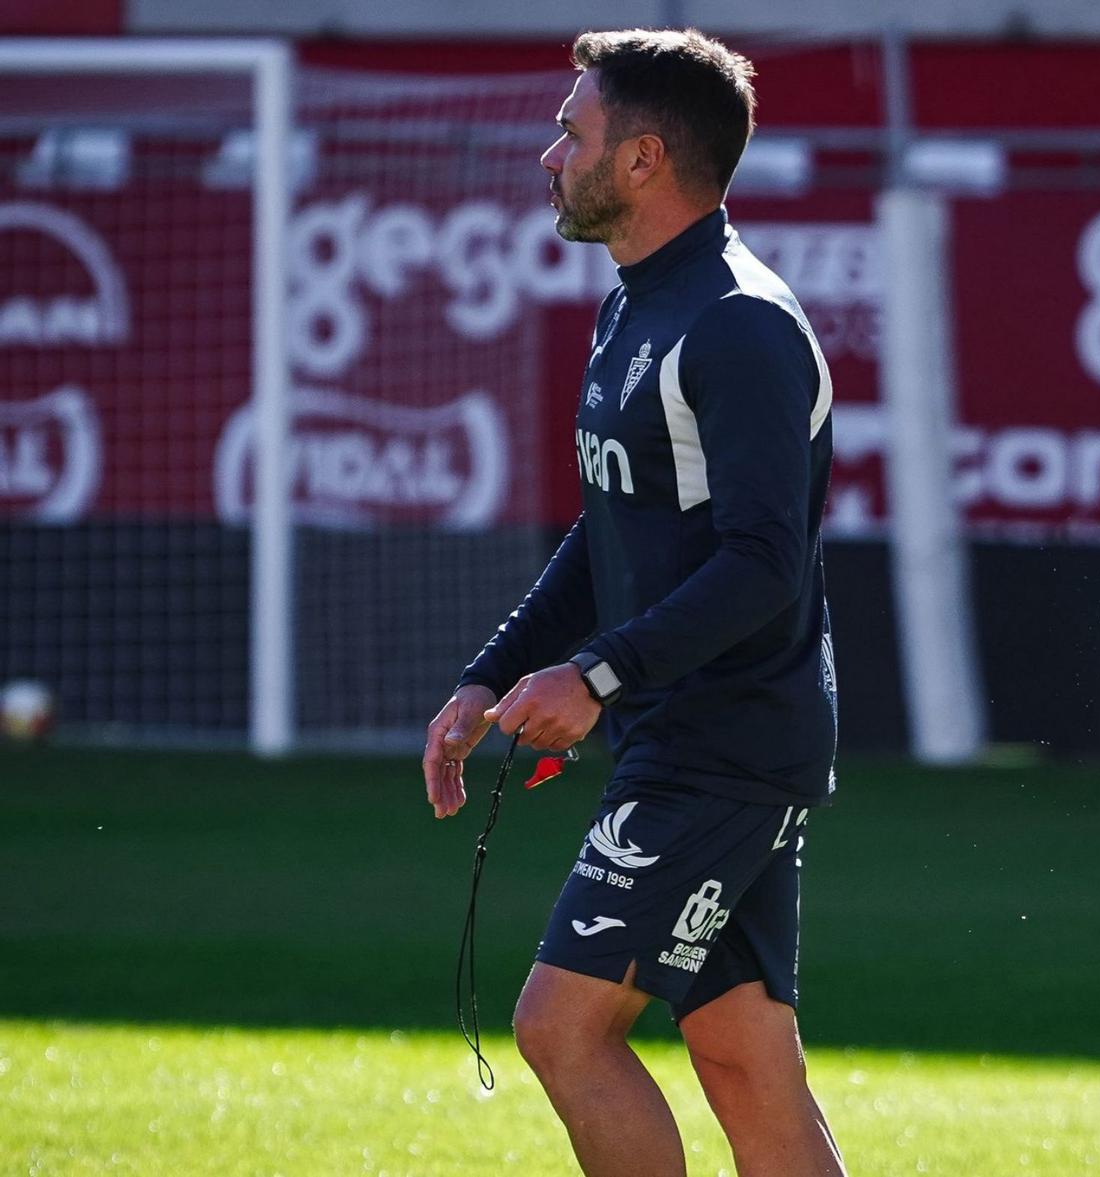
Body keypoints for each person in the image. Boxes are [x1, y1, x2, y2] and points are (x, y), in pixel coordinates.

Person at [423, 27, 846, 1177]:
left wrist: (599, 676)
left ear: (645, 157)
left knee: (561, 1027)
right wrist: (492, 672)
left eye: (573, 132)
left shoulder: (738, 322)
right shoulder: (636, 305)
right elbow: (609, 531)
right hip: (696, 734)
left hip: (722, 745)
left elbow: (765, 562)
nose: (550, 155)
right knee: (747, 1065)